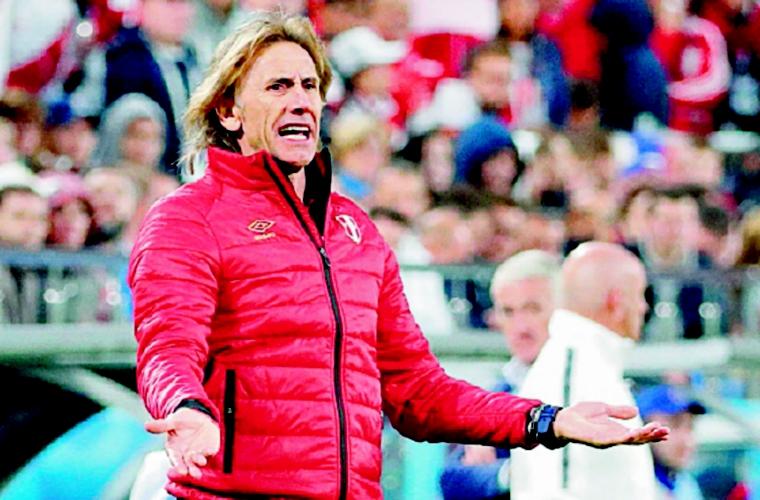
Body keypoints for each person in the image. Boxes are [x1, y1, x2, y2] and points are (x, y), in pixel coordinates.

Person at [127, 14, 668, 499]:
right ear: (228, 110)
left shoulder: (354, 231)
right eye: (278, 86)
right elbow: (168, 347)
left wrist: (547, 421)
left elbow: (420, 391)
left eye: (310, 85)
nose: (299, 100)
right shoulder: (187, 219)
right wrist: (185, 408)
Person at [511, 242, 659, 500]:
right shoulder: (570, 374)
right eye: (639, 295)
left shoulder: (589, 366)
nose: (643, 307)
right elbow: (555, 492)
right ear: (616, 301)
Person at [439, 250, 560, 499]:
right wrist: (506, 474)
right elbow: (452, 479)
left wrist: (515, 472)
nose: (520, 326)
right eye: (508, 312)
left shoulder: (585, 380)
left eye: (533, 309)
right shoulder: (497, 393)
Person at [636, 384, 707, 500]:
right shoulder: (628, 483)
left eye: (690, 426)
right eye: (675, 424)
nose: (686, 440)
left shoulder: (685, 484)